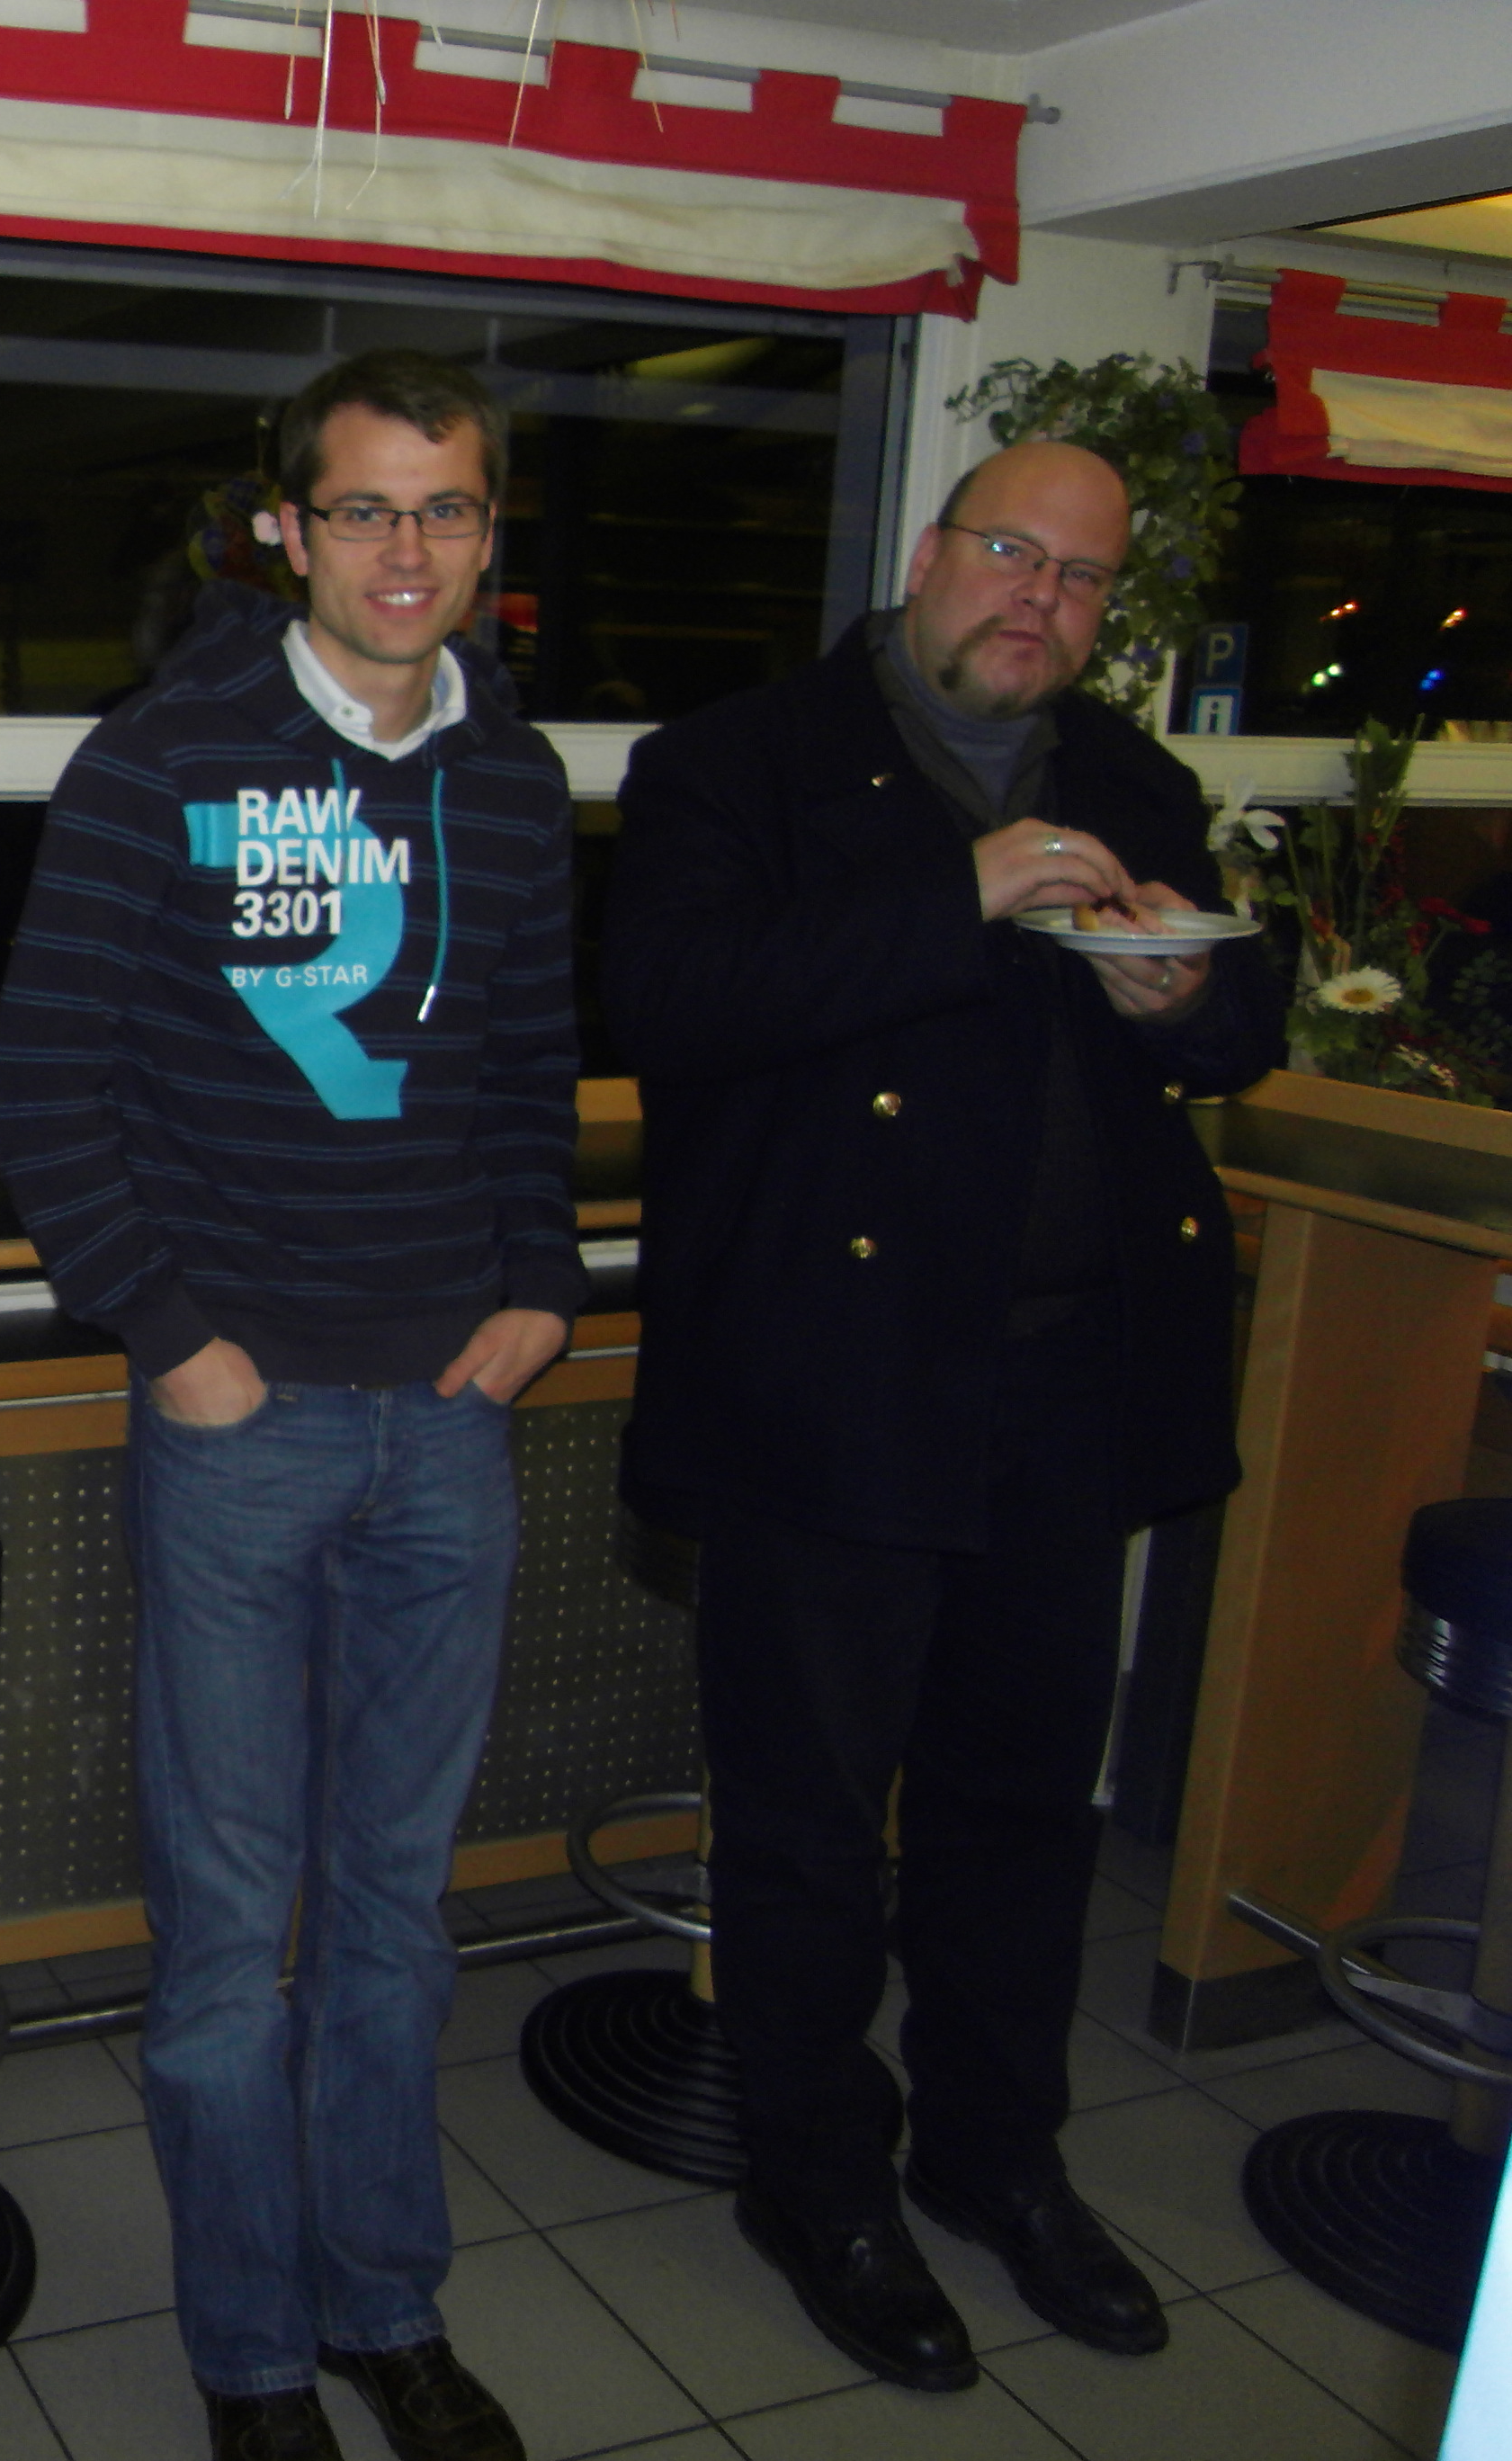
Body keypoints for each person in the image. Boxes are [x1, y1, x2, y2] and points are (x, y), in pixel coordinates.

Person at [603, 440, 1284, 2392]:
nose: (1038, 600)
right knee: (812, 1833)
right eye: (1010, 554)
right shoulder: (737, 762)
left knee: (1024, 1814)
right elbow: (669, 1001)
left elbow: (1246, 1020)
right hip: (831, 1387)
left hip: (1063, 1388)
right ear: (928, 554)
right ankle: (818, 2180)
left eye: (1081, 578)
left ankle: (1001, 2157)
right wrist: (956, 891)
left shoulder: (1133, 779)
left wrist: (1185, 1003)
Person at [0, 350, 580, 2461]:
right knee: (233, 1937)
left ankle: (384, 2307)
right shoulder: (162, 759)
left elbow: (529, 1072)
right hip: (242, 1430)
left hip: (451, 1422)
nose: (407, 550)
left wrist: (543, 1285)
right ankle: (252, 2360)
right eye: (364, 509)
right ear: (284, 531)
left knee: (399, 1921)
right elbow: (43, 1084)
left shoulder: (512, 779)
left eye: (447, 509)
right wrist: (173, 1335)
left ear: (488, 534)